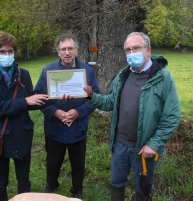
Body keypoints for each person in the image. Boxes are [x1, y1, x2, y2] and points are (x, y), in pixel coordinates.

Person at [83, 32, 181, 201]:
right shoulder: (123, 74)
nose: (131, 53)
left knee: (143, 189)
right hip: (120, 144)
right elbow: (111, 102)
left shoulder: (163, 78)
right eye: (127, 50)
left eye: (136, 48)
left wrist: (154, 144)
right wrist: (92, 96)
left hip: (144, 149)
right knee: (116, 183)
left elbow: (172, 116)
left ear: (148, 50)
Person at [0, 31, 49, 201]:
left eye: (10, 51)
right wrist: (26, 101)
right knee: (1, 182)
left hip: (21, 134)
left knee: (24, 181)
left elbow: (31, 100)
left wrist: (55, 96)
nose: (7, 55)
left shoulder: (22, 74)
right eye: (2, 52)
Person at [34, 32, 100, 198]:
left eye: (71, 48)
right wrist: (55, 112)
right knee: (53, 162)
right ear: (58, 52)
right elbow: (38, 98)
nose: (67, 52)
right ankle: (51, 187)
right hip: (55, 128)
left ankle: (77, 191)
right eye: (63, 49)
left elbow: (96, 98)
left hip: (78, 128)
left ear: (77, 50)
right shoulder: (48, 71)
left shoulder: (87, 71)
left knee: (78, 164)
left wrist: (78, 113)